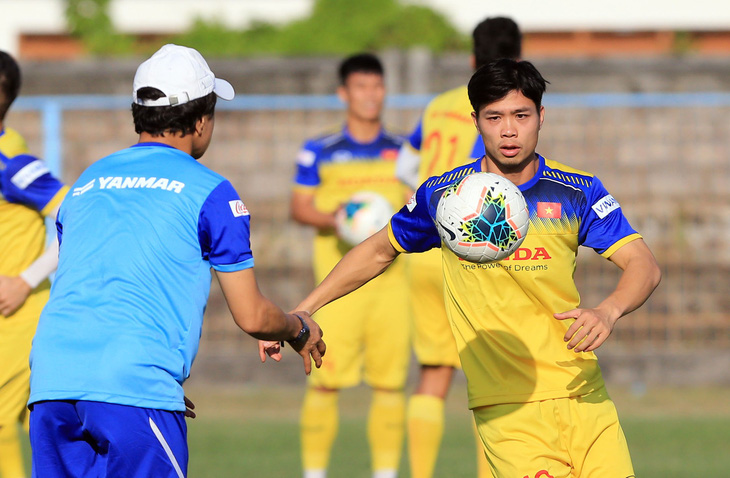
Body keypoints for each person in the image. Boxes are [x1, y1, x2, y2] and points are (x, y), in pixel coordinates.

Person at [267, 59, 661, 478]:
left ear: (541, 117)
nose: (508, 129)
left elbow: (643, 264)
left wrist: (609, 309)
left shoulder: (577, 191)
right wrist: (304, 309)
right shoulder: (445, 197)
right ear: (475, 122)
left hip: (587, 396)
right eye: (494, 117)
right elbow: (378, 250)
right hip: (509, 406)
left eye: (521, 115)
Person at [27, 44, 325, 478]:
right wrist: (297, 327)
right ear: (201, 120)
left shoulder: (87, 182)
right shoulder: (211, 192)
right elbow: (253, 316)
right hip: (131, 385)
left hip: (52, 382)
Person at [263, 53, 410, 478]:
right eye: (361, 87)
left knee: (389, 382)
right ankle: (315, 473)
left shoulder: (403, 152)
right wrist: (339, 220)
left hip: (392, 285)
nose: (370, 95)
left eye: (377, 86)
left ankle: (385, 473)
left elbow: (419, 201)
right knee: (324, 380)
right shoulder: (319, 151)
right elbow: (299, 207)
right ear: (343, 94)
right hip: (339, 289)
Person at [394, 17, 521, 478]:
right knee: (490, 380)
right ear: (519, 62)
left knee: (432, 374)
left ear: (471, 58)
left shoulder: (437, 106)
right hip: (476, 252)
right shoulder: (503, 110)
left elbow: (406, 167)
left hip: (426, 249)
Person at [0, 50, 68, 478]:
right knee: (41, 429)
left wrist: (25, 280)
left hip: (17, 317)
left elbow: (80, 216)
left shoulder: (13, 163)